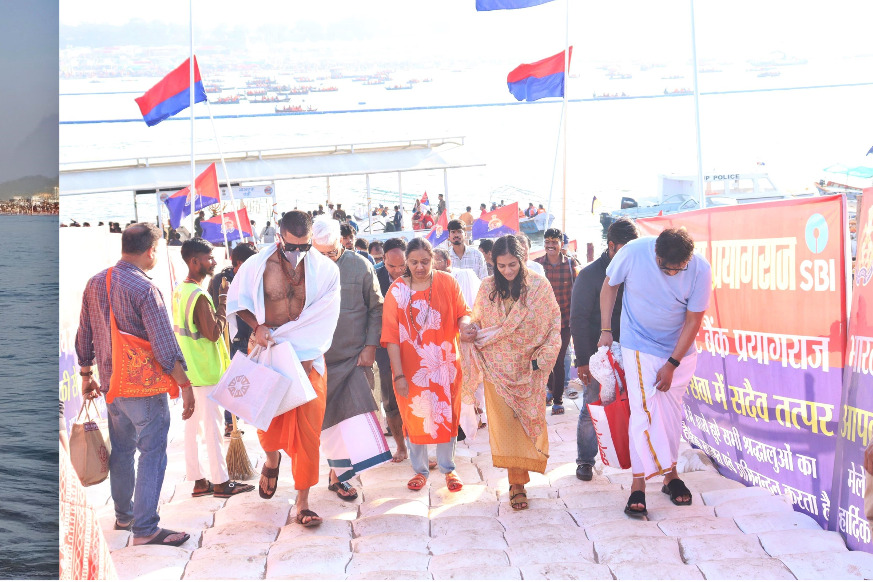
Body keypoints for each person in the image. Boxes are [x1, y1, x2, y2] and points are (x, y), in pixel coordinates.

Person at [75, 223, 194, 547]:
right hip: (143, 389)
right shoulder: (144, 288)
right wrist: (185, 386)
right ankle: (145, 528)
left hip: (112, 387)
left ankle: (124, 515)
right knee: (152, 452)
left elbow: (83, 333)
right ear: (151, 250)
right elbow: (165, 346)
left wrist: (87, 375)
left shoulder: (96, 282)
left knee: (123, 451)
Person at [227, 210, 341, 527]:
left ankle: (303, 503)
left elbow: (326, 318)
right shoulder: (256, 266)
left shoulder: (326, 270)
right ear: (279, 237)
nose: (297, 254)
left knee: (308, 434)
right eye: (292, 247)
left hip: (308, 358)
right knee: (267, 423)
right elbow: (238, 302)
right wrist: (257, 326)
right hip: (267, 351)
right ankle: (272, 458)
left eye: (304, 247)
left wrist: (305, 348)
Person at [599, 227, 711, 516]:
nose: (673, 274)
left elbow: (693, 320)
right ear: (656, 254)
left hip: (679, 352)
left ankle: (670, 475)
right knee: (643, 412)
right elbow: (609, 285)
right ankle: (638, 484)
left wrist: (672, 364)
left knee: (670, 416)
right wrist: (606, 330)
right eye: (666, 268)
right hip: (640, 344)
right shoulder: (635, 252)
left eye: (679, 269)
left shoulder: (699, 268)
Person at [461, 235, 561, 510]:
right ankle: (516, 483)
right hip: (496, 368)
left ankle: (522, 475)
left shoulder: (540, 287)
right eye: (501, 265)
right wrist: (467, 328)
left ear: (523, 259)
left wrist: (544, 357)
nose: (507, 271)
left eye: (512, 265)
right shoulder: (487, 286)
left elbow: (554, 323)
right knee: (505, 427)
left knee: (526, 423)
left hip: (529, 369)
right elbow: (476, 318)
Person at [381, 237, 475, 491]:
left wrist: (465, 325)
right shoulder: (396, 291)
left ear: (434, 259)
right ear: (405, 264)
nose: (420, 267)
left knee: (447, 416)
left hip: (445, 365)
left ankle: (448, 469)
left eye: (425, 261)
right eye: (413, 262)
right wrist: (398, 375)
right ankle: (420, 470)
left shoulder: (448, 282)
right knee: (415, 417)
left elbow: (462, 312)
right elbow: (390, 336)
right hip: (410, 370)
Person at [312, 217, 391, 500]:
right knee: (328, 422)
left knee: (352, 418)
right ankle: (335, 474)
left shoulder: (361, 265)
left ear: (341, 242)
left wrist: (370, 347)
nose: (327, 259)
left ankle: (339, 477)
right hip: (318, 360)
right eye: (320, 254)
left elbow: (376, 309)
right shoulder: (306, 267)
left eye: (332, 252)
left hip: (355, 358)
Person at [173, 238, 255, 498]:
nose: (214, 262)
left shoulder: (180, 290)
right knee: (212, 430)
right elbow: (213, 332)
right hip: (205, 372)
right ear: (194, 261)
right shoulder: (198, 296)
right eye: (209, 258)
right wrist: (222, 301)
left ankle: (198, 481)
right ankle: (220, 482)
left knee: (192, 429)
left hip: (191, 371)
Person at [570, 218, 639, 481]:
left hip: (633, 351)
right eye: (625, 250)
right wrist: (583, 362)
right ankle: (585, 460)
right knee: (592, 407)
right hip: (599, 357)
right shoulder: (589, 275)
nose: (631, 256)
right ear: (611, 246)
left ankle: (633, 456)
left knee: (633, 407)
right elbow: (577, 319)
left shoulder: (637, 270)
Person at [433, 248, 486, 435]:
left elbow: (472, 309)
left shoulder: (464, 276)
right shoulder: (428, 284)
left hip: (470, 337)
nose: (432, 264)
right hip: (446, 343)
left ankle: (479, 415)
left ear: (448, 262)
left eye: (436, 260)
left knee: (475, 380)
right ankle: (459, 423)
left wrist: (466, 328)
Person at [208, 242, 258, 436]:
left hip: (252, 336)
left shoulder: (255, 277)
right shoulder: (220, 280)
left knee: (250, 381)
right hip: (230, 339)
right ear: (235, 263)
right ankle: (231, 422)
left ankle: (247, 414)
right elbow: (215, 307)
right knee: (233, 382)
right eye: (246, 265)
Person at [534, 228, 580, 415]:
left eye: (554, 242)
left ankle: (558, 400)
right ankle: (551, 390)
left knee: (559, 360)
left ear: (562, 244)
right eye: (547, 241)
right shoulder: (536, 265)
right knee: (545, 359)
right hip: (542, 322)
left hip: (564, 321)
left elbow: (578, 294)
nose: (550, 245)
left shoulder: (570, 265)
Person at [374, 238, 409, 461]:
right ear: (383, 260)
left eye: (402, 266)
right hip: (384, 345)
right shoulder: (373, 277)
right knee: (390, 399)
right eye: (391, 266)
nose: (397, 271)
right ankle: (401, 447)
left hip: (414, 344)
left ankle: (420, 444)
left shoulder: (419, 271)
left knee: (418, 397)